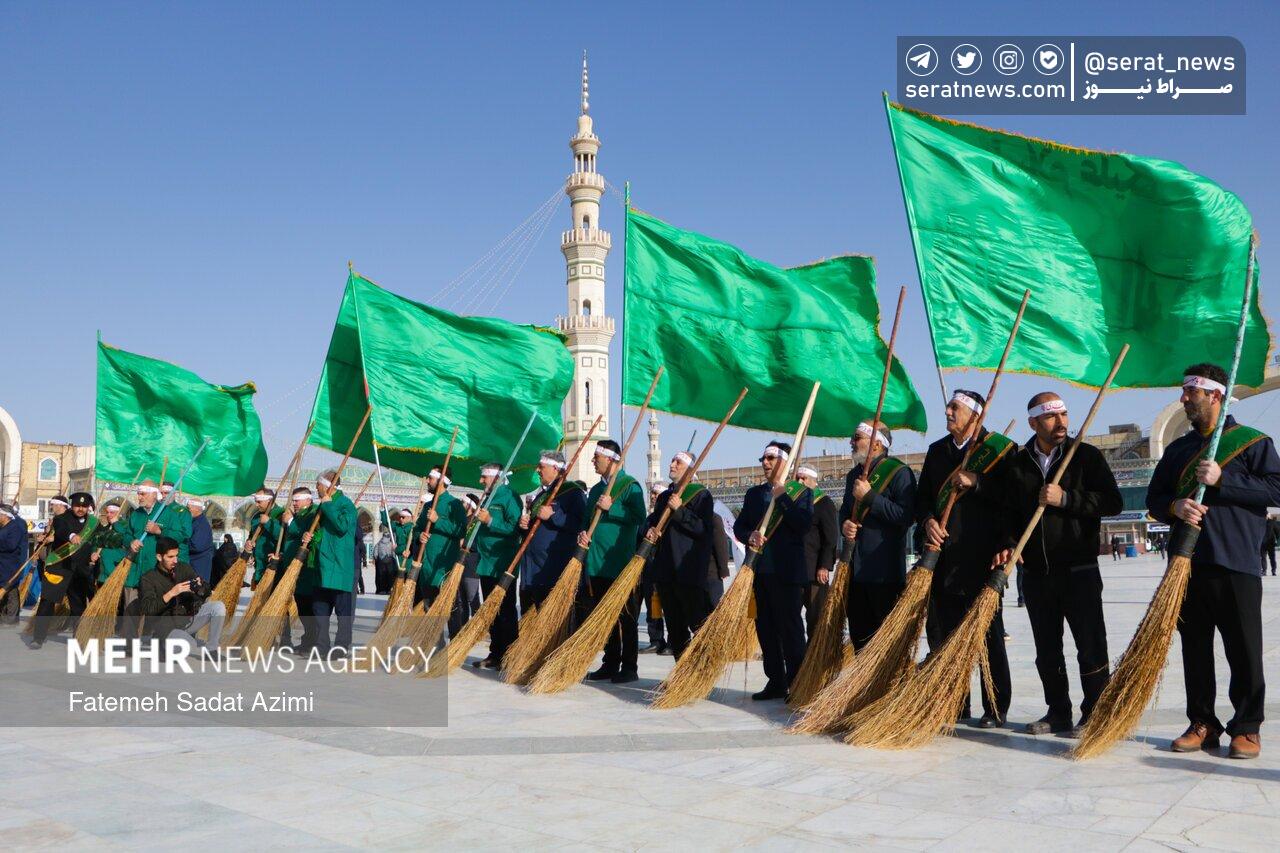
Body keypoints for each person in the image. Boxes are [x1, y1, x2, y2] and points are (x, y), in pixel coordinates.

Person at [1148, 364, 1280, 759]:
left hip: (1235, 560)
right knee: (1195, 650)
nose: (1184, 399)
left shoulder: (1253, 443)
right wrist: (1175, 506)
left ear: (1215, 395)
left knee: (1244, 650)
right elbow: (1155, 499)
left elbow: (1276, 488)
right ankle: (1202, 722)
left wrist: (1224, 479)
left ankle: (1247, 726)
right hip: (1187, 563)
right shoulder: (1177, 450)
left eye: (1191, 393)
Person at [995, 392, 1122, 736]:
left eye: (1064, 414)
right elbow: (1008, 514)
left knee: (1090, 646)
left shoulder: (1085, 456)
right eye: (1051, 417)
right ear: (1033, 422)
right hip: (1037, 574)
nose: (1061, 422)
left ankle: (1095, 712)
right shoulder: (1019, 464)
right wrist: (1009, 543)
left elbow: (1112, 502)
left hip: (1079, 569)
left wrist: (1066, 498)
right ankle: (1058, 711)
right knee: (1047, 650)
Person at [916, 390, 1015, 728]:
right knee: (946, 636)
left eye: (954, 407)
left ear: (976, 414)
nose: (947, 411)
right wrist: (928, 521)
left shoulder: (999, 450)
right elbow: (923, 499)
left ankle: (995, 707)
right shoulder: (937, 451)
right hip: (945, 557)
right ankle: (956, 704)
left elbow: (1013, 499)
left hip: (983, 557)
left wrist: (977, 481)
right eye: (948, 406)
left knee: (988, 636)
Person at [734, 441, 814, 700]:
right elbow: (739, 527)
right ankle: (776, 681)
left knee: (790, 629)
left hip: (787, 572)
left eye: (771, 458)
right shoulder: (754, 494)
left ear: (785, 462)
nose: (765, 463)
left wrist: (783, 497)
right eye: (764, 459)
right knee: (766, 629)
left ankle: (798, 682)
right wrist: (750, 535)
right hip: (760, 572)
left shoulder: (801, 493)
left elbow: (803, 525)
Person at [838, 421, 917, 650]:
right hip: (856, 571)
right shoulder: (853, 475)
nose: (852, 442)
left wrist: (870, 497)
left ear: (876, 444)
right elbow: (845, 511)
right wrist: (845, 524)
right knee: (860, 639)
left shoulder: (899, 472)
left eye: (857, 437)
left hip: (884, 573)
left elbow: (905, 516)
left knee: (885, 643)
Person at [577, 440, 647, 684]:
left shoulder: (629, 485)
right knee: (603, 616)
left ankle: (629, 667)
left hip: (619, 562)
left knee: (626, 617)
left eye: (596, 457)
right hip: (596, 562)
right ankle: (610, 662)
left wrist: (612, 507)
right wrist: (583, 532)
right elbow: (587, 519)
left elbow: (640, 517)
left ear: (610, 459)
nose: (593, 461)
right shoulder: (596, 489)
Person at [643, 453, 718, 659]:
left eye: (678, 462)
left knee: (697, 623)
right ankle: (682, 669)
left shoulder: (701, 495)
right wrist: (652, 531)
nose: (672, 464)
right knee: (675, 629)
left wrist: (679, 510)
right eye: (672, 460)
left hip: (688, 571)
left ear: (690, 469)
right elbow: (654, 523)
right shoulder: (664, 497)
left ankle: (703, 667)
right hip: (666, 571)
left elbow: (702, 529)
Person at [517, 451, 586, 615]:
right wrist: (524, 525)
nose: (537, 470)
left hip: (553, 568)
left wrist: (554, 516)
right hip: (533, 570)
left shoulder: (572, 493)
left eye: (541, 467)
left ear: (555, 468)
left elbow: (581, 524)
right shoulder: (542, 495)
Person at [121, 481, 189, 639]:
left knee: (156, 609)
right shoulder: (136, 514)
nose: (139, 497)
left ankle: (154, 639)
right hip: (135, 570)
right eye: (138, 493)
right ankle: (130, 644)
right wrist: (131, 542)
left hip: (155, 571)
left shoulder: (168, 513)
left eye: (142, 493)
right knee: (131, 608)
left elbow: (180, 536)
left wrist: (159, 531)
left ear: (153, 494)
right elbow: (126, 535)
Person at [470, 465, 522, 668]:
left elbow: (514, 528)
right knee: (490, 610)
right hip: (486, 563)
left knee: (506, 610)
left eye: (484, 477)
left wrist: (490, 521)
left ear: (496, 477)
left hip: (502, 562)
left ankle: (510, 655)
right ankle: (496, 653)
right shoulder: (487, 497)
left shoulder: (510, 497)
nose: (481, 481)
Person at [29, 492, 98, 646]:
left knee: (78, 606)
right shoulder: (61, 519)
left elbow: (98, 539)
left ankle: (79, 638)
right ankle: (38, 638)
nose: (80, 509)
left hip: (79, 570)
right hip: (59, 567)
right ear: (72, 505)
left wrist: (95, 552)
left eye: (84, 506)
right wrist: (72, 536)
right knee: (47, 602)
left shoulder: (93, 522)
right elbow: (61, 530)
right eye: (77, 505)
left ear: (88, 507)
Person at [137, 536, 225, 649]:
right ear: (159, 557)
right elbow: (148, 609)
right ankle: (162, 643)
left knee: (218, 607)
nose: (175, 560)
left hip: (188, 621)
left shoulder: (183, 568)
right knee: (189, 645)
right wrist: (171, 593)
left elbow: (205, 591)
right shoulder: (148, 578)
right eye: (170, 557)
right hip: (166, 628)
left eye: (176, 556)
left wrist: (201, 587)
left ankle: (212, 649)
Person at [305, 470, 358, 656]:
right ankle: (321, 646)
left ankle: (341, 647)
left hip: (338, 566)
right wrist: (310, 537)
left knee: (343, 612)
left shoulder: (346, 505)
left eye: (318, 485)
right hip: (321, 565)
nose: (316, 488)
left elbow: (342, 526)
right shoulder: (322, 505)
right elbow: (322, 533)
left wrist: (328, 505)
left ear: (328, 486)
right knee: (320, 609)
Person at [412, 467, 468, 612]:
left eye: (430, 478)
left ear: (441, 480)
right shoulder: (428, 505)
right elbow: (417, 529)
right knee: (428, 612)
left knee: (449, 611)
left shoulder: (454, 504)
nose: (427, 481)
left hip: (444, 568)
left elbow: (461, 530)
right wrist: (420, 535)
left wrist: (438, 521)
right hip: (427, 568)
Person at [798, 465, 838, 641]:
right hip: (795, 570)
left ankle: (815, 650)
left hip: (814, 572)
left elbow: (831, 537)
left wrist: (824, 566)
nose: (800, 481)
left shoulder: (823, 503)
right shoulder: (794, 503)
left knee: (816, 616)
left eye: (804, 478)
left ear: (814, 481)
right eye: (797, 478)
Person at [640, 481, 668, 654]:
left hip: (665, 567)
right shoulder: (650, 518)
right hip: (650, 568)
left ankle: (675, 641)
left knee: (671, 608)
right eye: (652, 493)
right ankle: (656, 639)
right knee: (653, 605)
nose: (653, 496)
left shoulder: (669, 517)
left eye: (656, 494)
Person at [248, 488, 283, 586]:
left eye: (259, 502)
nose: (256, 505)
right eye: (256, 501)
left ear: (269, 500)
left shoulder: (281, 514)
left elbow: (282, 535)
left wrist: (268, 522)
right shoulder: (256, 516)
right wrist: (249, 543)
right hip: (259, 565)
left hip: (274, 564)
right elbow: (251, 535)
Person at [0, 503, 28, 624]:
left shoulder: (15, 527)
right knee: (3, 589)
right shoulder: (2, 527)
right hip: (2, 563)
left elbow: (11, 545)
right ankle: (3, 615)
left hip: (10, 563)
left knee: (10, 589)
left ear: (5, 515)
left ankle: (11, 619)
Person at [186, 498, 214, 583]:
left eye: (189, 508)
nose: (187, 511)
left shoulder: (201, 524)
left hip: (198, 565)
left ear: (197, 509)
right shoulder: (196, 521)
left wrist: (182, 543)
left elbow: (197, 546)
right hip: (195, 564)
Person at [373, 524, 398, 595]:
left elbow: (375, 553)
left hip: (381, 561)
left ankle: (381, 590)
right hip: (389, 560)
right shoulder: (391, 543)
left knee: (381, 576)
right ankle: (389, 589)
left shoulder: (379, 543)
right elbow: (394, 552)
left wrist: (376, 558)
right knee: (390, 576)